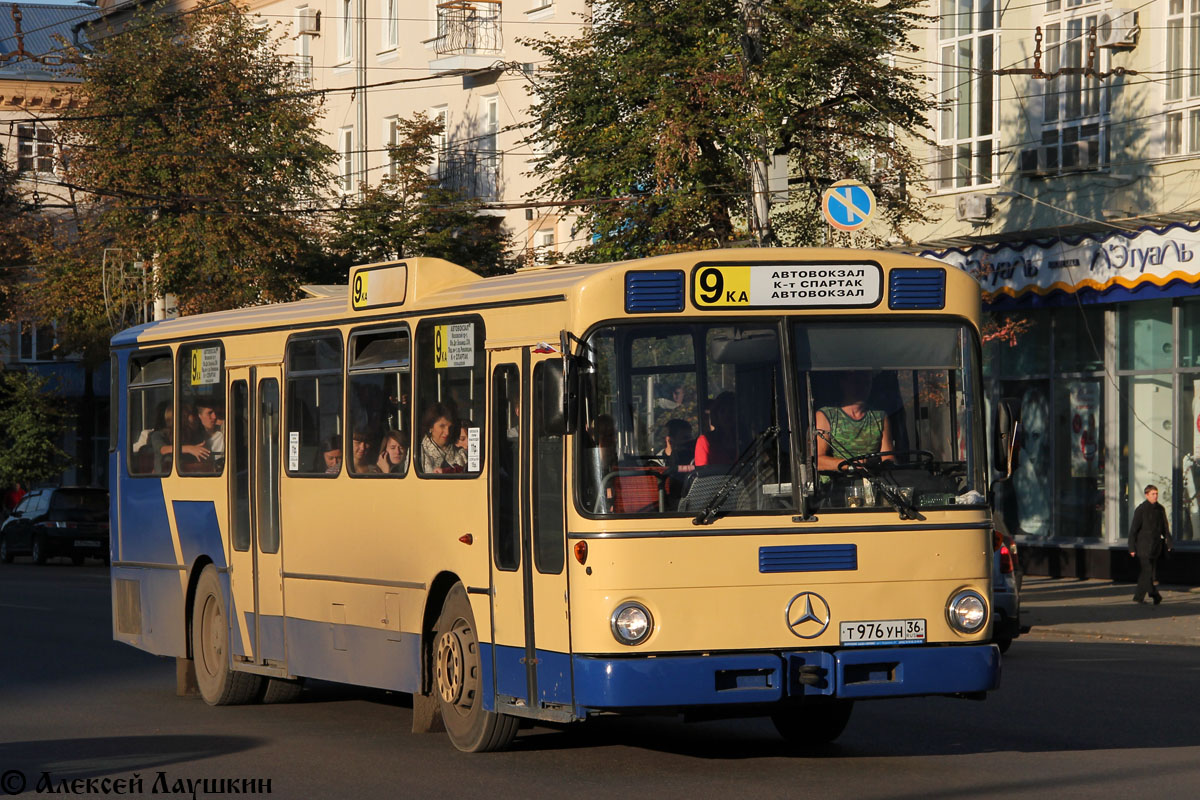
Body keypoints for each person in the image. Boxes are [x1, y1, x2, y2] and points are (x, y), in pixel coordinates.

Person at [815, 371, 894, 471]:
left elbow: (888, 457)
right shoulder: (826, 415)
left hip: (873, 483)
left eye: (867, 382)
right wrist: (851, 465)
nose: (863, 387)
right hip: (836, 484)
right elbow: (818, 461)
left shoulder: (880, 417)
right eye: (857, 382)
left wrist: (882, 464)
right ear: (843, 383)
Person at [1129, 484, 1173, 604]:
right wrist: (1131, 547)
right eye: (1153, 494)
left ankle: (1138, 597)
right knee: (1147, 571)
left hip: (1155, 546)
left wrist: (1169, 542)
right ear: (1146, 495)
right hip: (1143, 546)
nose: (1155, 496)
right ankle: (1155, 595)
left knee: (1146, 573)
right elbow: (1133, 530)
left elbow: (1165, 527)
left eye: (1156, 494)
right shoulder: (1141, 510)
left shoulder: (1160, 509)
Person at [420, 403, 467, 474]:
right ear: (430, 427)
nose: (447, 432)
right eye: (442, 426)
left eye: (450, 427)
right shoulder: (418, 455)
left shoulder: (461, 453)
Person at [694, 392, 737, 467]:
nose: (727, 415)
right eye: (723, 411)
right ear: (716, 415)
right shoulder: (705, 441)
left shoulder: (748, 440)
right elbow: (703, 475)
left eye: (731, 411)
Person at [182, 399, 225, 470]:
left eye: (216, 413)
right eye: (210, 413)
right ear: (199, 416)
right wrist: (189, 448)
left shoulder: (224, 433)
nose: (214, 417)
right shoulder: (191, 438)